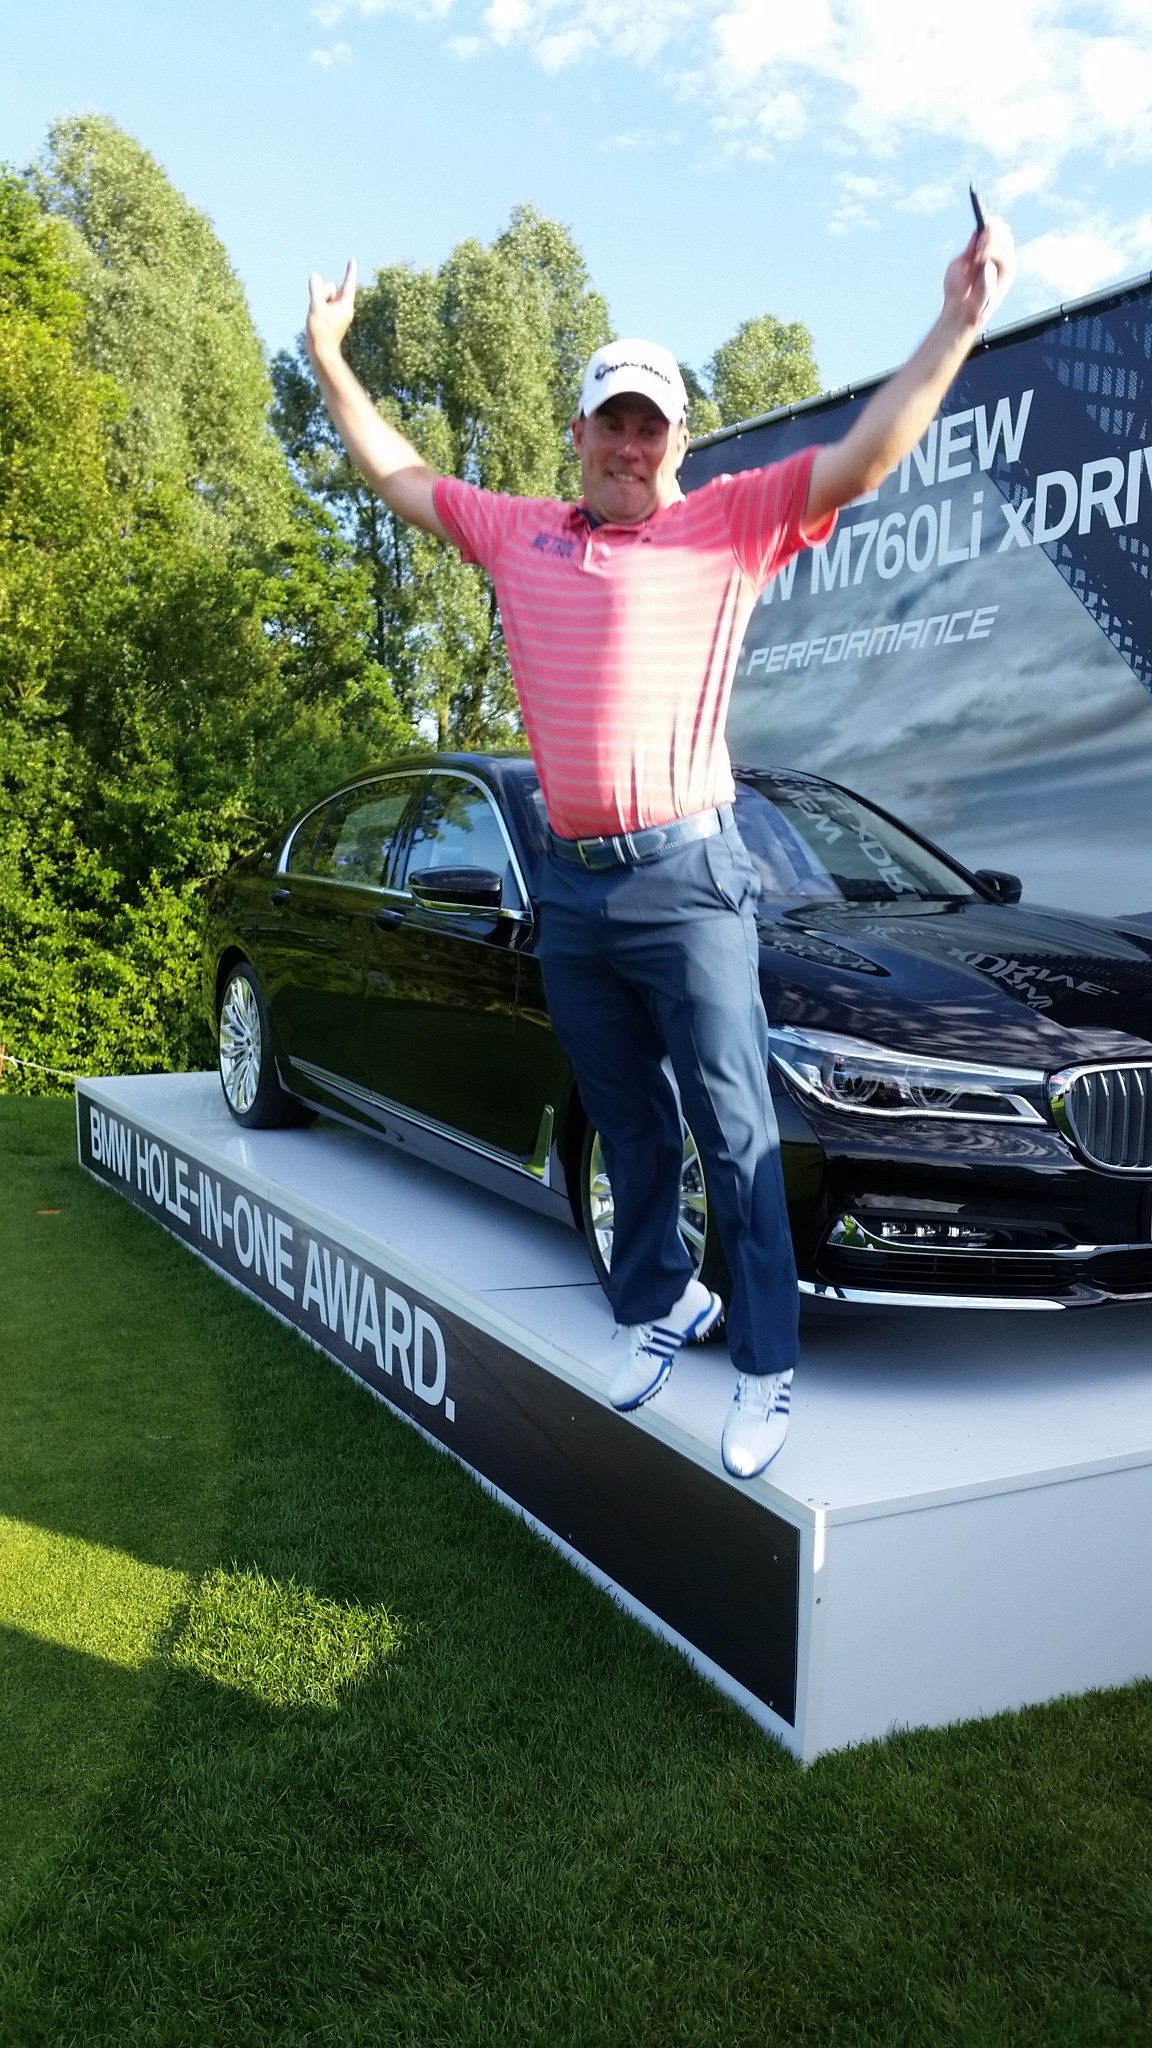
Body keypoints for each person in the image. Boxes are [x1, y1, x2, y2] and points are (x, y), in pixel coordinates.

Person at [305, 216, 1015, 1480]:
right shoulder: (517, 530)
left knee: (734, 1125)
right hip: (571, 884)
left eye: (654, 424)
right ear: (576, 435)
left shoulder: (730, 525)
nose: (632, 444)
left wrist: (957, 324)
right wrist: (328, 358)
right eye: (612, 422)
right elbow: (397, 473)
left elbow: (862, 454)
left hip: (689, 878)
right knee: (626, 1117)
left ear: (679, 441)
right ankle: (655, 1304)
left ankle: (766, 1364)